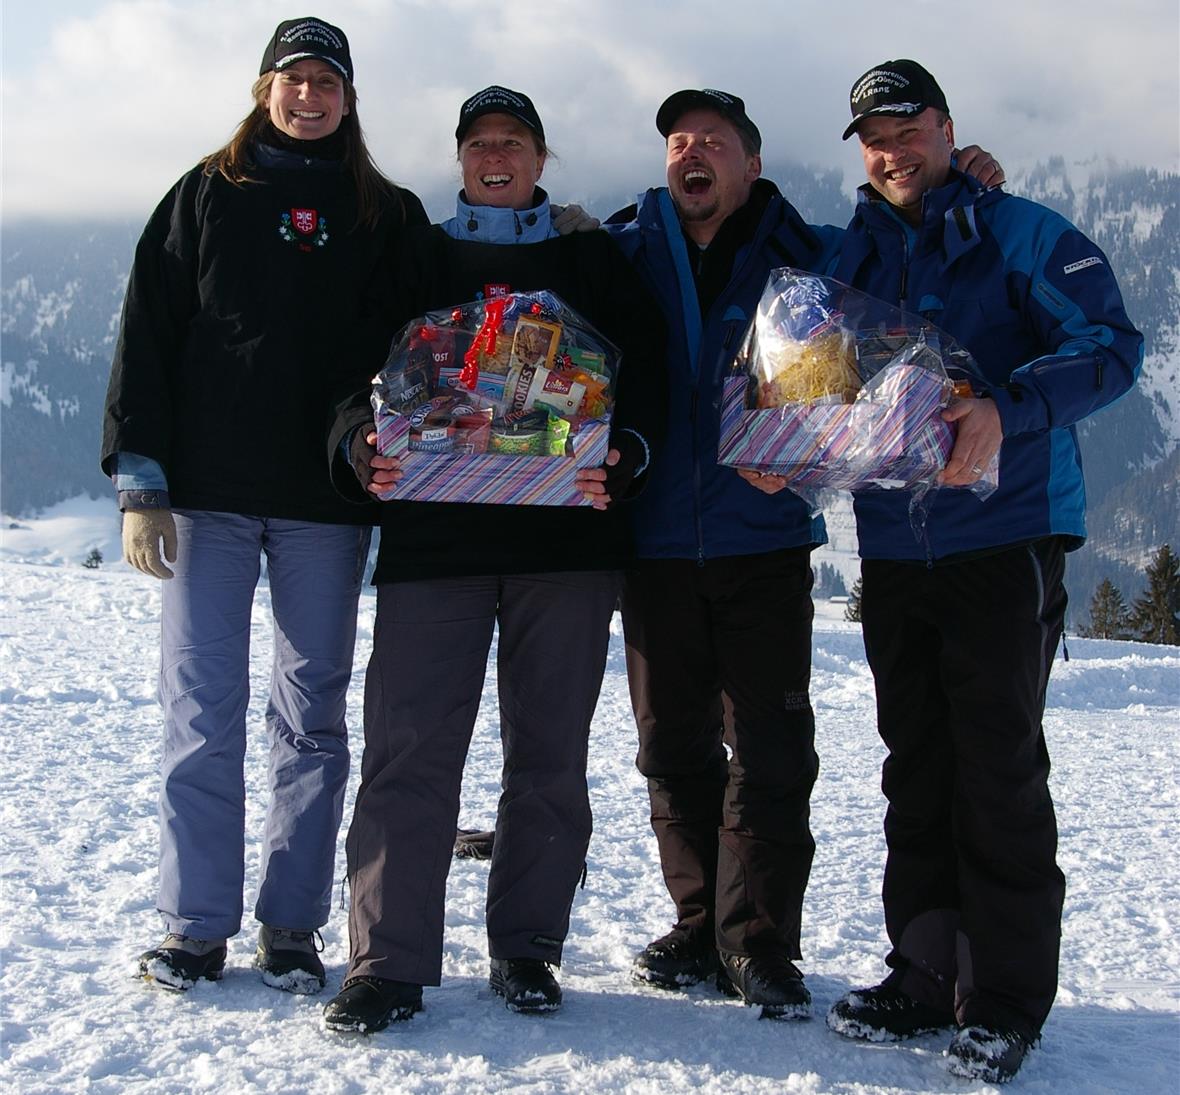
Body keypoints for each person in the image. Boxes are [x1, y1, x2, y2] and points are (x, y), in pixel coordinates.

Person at [604, 90, 1007, 1020]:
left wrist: (965, 180)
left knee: (773, 750)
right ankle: (699, 923)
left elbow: (898, 279)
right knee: (672, 747)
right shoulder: (625, 247)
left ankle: (760, 944)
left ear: (752, 160)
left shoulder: (814, 247)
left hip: (765, 539)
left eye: (715, 141)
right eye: (679, 141)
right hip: (656, 539)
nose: (693, 153)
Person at [817, 60, 1143, 1081]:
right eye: (873, 137)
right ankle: (922, 974)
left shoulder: (1023, 232)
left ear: (945, 130)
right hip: (894, 546)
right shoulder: (851, 250)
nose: (891, 150)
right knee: (914, 763)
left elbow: (1113, 345)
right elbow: (807, 372)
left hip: (1003, 538)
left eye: (907, 129)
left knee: (995, 769)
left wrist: (1008, 403)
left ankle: (1002, 997)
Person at [320, 86, 666, 1033]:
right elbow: (355, 378)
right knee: (408, 751)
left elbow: (655, 382)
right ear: (461, 159)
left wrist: (627, 453)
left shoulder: (593, 258)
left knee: (549, 753)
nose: (496, 155)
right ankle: (386, 961)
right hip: (438, 546)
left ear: (543, 159)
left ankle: (527, 948)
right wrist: (362, 446)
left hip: (567, 542)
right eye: (480, 143)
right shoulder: (417, 254)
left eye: (514, 140)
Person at [100, 17, 427, 995]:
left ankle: (290, 924)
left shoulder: (386, 212)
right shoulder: (205, 195)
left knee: (312, 712)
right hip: (207, 497)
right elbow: (148, 335)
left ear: (348, 98)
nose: (311, 95)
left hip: (326, 500)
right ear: (262, 89)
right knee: (201, 711)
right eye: (295, 78)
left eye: (328, 81)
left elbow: (429, 334)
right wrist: (141, 483)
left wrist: (566, 234)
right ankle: (195, 924)